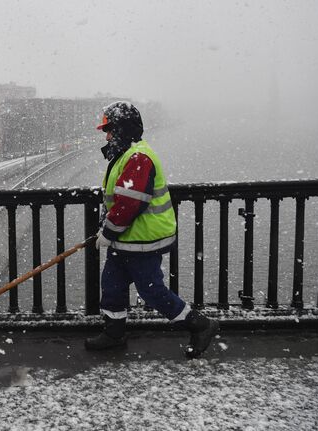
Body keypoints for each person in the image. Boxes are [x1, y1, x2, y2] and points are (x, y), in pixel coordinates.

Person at [85, 101, 219, 358]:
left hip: (142, 241)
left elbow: (129, 203)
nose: (107, 135)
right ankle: (114, 333)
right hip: (126, 240)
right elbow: (118, 200)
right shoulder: (127, 154)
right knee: (112, 285)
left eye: (110, 129)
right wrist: (108, 229)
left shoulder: (138, 158)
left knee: (151, 291)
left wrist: (108, 232)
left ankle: (201, 325)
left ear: (122, 129)